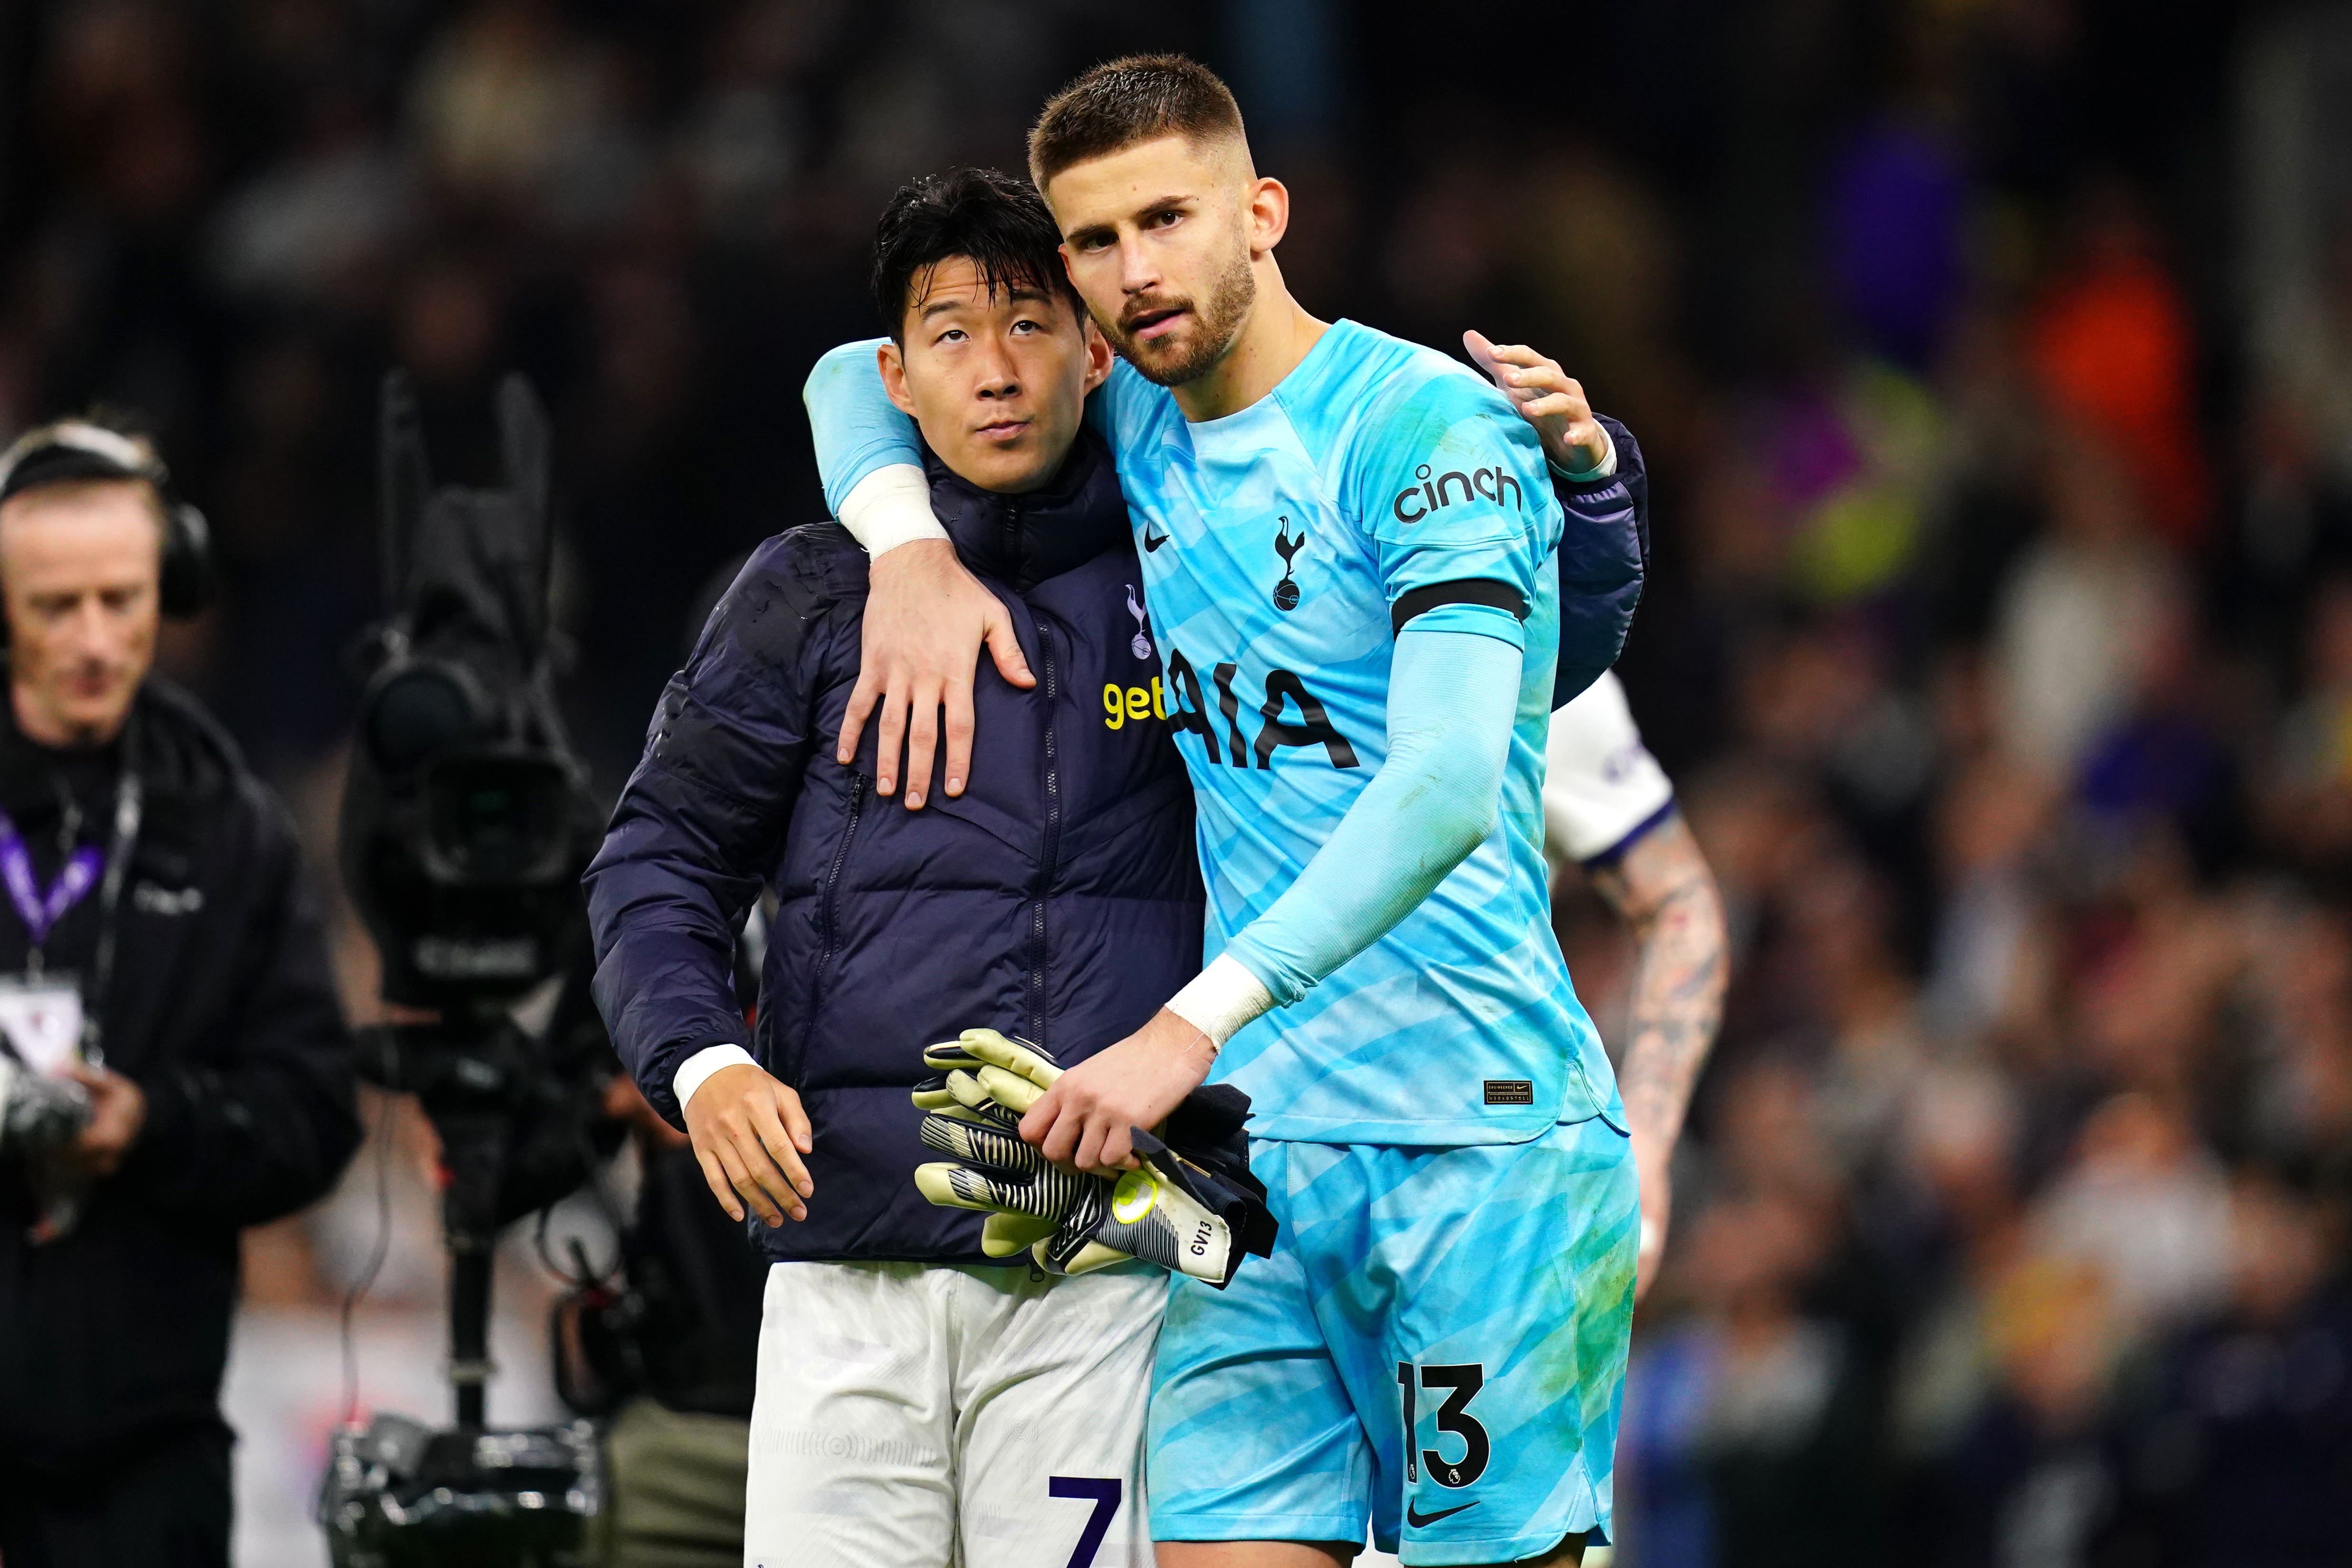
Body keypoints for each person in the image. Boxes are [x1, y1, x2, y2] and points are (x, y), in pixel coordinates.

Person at [803, 55, 1646, 1568]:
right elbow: (839, 375)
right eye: (1095, 243)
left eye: (1168, 220)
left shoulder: (1424, 431)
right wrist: (904, 548)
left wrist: (1187, 1026)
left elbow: (1448, 783)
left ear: (1260, 214)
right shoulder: (1132, 434)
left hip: (1476, 1141)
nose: (1134, 275)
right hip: (1254, 1176)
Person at [585, 167, 1205, 1568]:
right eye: (950, 336)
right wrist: (704, 1064)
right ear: (895, 377)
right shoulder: (809, 594)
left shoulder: (1193, 577)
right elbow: (657, 860)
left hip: (1093, 1272)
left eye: (1032, 325)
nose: (994, 372)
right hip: (842, 1266)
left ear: (1095, 351)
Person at [0, 418, 360, 1567]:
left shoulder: (230, 827)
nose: (97, 638)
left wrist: (155, 1122)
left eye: (124, 596)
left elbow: (314, 1113)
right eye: (57, 606)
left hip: (146, 1457)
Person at [1541, 671, 1729, 1304]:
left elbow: (1678, 899)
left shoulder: (1541, 668)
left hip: (1473, 1165)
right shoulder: (1230, 626)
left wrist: (1642, 1139)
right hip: (1254, 1153)